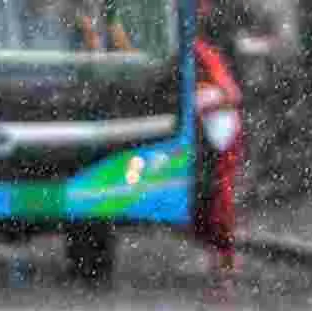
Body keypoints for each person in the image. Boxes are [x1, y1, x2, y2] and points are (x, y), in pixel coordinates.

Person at [93, 0, 244, 282]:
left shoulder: (201, 51)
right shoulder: (184, 49)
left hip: (217, 134)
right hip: (204, 132)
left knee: (217, 195)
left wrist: (203, 100)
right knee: (210, 196)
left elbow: (230, 94)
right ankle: (220, 254)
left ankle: (223, 256)